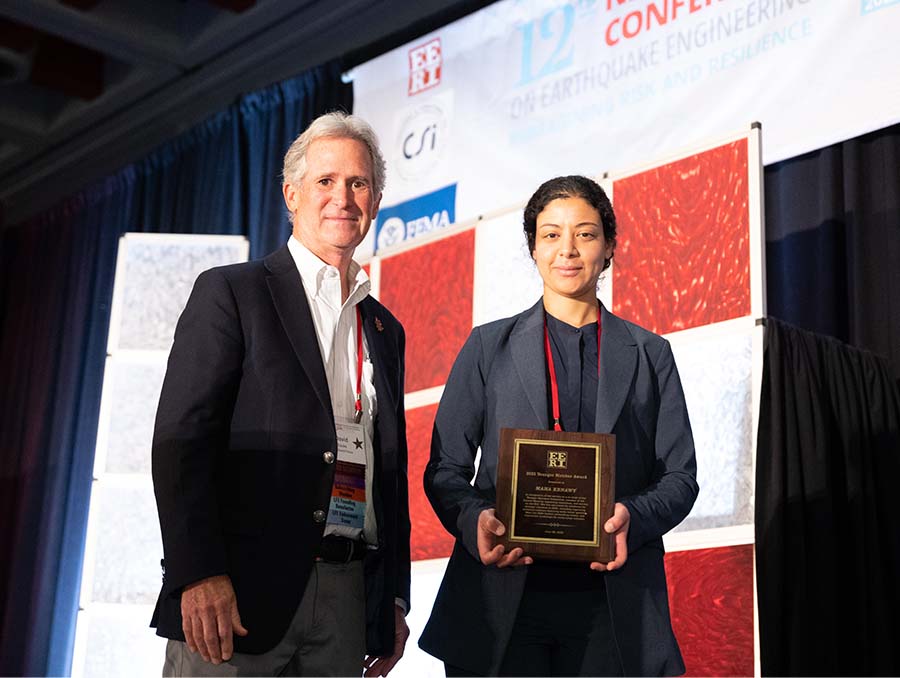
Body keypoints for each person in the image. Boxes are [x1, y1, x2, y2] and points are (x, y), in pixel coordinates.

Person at [151, 111, 411, 677]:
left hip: (345, 598)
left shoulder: (386, 331)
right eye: (325, 181)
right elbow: (181, 441)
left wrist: (391, 598)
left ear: (376, 199)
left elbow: (388, 477)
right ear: (291, 194)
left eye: (358, 183)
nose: (342, 197)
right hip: (236, 595)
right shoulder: (232, 292)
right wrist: (197, 572)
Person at [419, 175, 698, 676]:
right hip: (500, 597)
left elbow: (680, 477)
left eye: (585, 234)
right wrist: (474, 521)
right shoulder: (487, 347)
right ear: (533, 247)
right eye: (550, 234)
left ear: (610, 246)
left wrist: (631, 518)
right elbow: (445, 468)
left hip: (612, 605)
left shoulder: (652, 355)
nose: (566, 250)